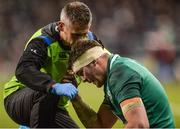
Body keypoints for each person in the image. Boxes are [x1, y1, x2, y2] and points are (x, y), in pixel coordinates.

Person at [3, 1, 103, 128]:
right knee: (48, 91)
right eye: (76, 35)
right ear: (61, 26)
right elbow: (23, 70)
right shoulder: (43, 40)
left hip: (54, 107)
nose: (81, 40)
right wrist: (54, 85)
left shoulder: (90, 40)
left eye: (85, 34)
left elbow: (106, 62)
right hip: (19, 99)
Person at [69, 39, 175, 128]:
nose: (83, 79)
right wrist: (76, 99)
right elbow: (100, 125)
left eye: (81, 72)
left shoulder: (120, 75)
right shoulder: (115, 73)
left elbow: (138, 125)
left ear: (94, 62)